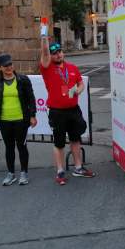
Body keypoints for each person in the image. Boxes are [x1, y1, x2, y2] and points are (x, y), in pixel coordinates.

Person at [40, 32, 94, 186]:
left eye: (60, 52)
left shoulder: (72, 68)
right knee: (59, 143)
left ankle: (78, 167)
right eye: (54, 53)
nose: (58, 55)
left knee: (75, 139)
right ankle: (60, 171)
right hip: (57, 111)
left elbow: (80, 83)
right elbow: (44, 53)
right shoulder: (47, 68)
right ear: (50, 56)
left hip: (73, 109)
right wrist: (44, 37)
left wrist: (79, 90)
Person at [0, 54, 37, 186]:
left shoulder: (23, 79)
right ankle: (11, 173)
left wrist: (32, 116)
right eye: (5, 66)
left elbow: (31, 98)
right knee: (9, 147)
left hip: (21, 119)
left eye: (10, 64)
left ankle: (24, 173)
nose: (9, 67)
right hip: (4, 120)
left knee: (21, 146)